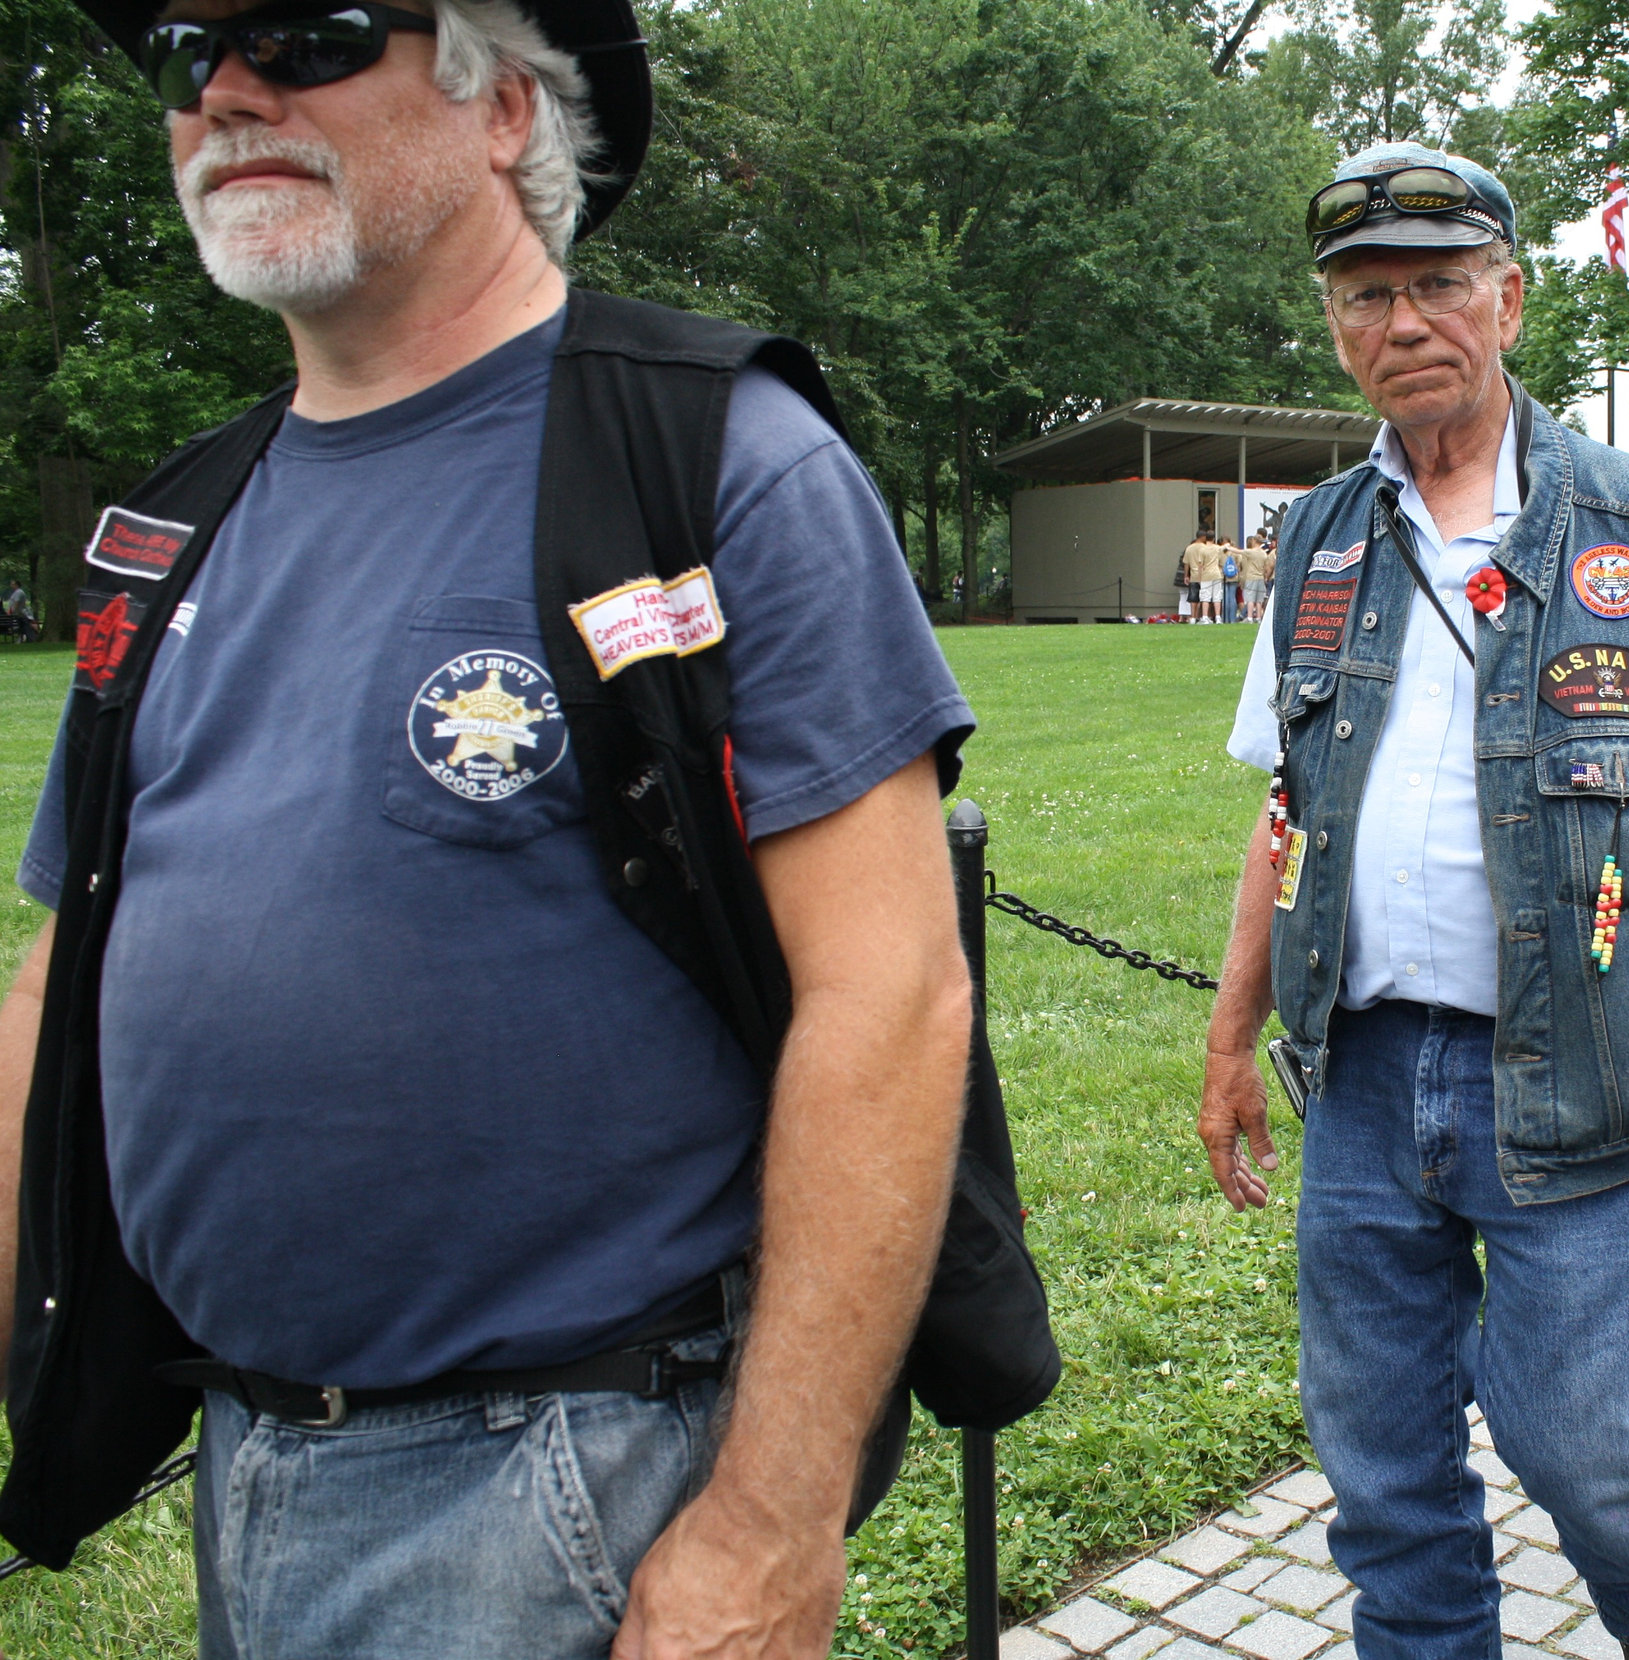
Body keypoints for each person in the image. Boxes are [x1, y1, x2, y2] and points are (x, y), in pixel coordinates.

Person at [0, 4, 978, 1656]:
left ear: (507, 108)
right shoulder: (175, 523)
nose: (224, 90)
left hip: (564, 1480)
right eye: (185, 50)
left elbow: (891, 1004)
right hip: (241, 1456)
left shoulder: (707, 457)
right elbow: (58, 980)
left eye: (306, 35)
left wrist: (765, 1522)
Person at [1202, 141, 1629, 1660]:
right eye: (1368, 294)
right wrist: (1236, 1038)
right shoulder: (1315, 544)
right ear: (1336, 321)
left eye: (1437, 284)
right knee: (1383, 1473)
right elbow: (1284, 809)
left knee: (1578, 1446)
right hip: (1362, 1082)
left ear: (1510, 299)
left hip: (1588, 1088)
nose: (1403, 320)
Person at [1220, 536, 1242, 623]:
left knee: (1225, 598)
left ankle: (1225, 619)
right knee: (1232, 598)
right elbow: (1240, 564)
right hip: (1234, 577)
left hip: (1224, 577)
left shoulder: (1221, 552)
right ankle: (1232, 619)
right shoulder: (1235, 552)